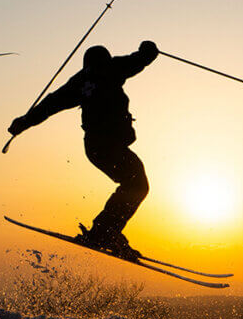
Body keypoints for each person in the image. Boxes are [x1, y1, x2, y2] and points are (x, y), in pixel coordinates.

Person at [8, 40, 159, 260]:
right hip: (108, 145)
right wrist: (149, 51)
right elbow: (137, 61)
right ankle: (105, 232)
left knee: (133, 182)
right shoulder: (111, 68)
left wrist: (24, 122)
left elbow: (51, 103)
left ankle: (106, 231)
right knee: (136, 183)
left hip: (96, 148)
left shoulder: (79, 82)